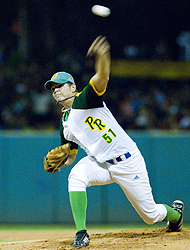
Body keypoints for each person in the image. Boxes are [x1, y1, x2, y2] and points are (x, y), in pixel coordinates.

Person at [44, 36, 184, 248]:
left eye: (60, 86)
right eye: (52, 88)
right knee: (76, 177)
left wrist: (102, 55)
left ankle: (175, 215)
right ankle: (81, 233)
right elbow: (71, 156)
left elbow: (102, 76)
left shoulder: (86, 99)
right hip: (101, 164)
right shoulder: (64, 123)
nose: (55, 90)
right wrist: (61, 163)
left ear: (73, 88)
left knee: (149, 215)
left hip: (128, 162)